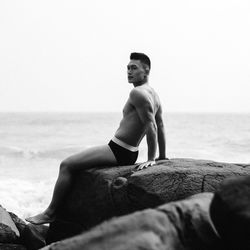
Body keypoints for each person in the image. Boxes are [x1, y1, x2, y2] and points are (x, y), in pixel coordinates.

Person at [26, 52, 167, 225]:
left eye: (134, 68)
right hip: (128, 151)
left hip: (119, 150)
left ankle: (50, 213)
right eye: (127, 68)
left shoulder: (138, 94)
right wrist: (162, 156)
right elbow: (160, 125)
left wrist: (152, 158)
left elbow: (152, 126)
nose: (129, 72)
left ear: (146, 71)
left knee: (66, 165)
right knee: (74, 166)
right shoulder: (154, 94)